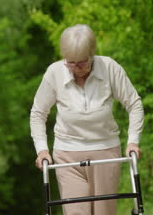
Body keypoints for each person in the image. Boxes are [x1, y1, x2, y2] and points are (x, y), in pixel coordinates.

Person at [30, 24, 144, 215]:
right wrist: (42, 149)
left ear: (92, 54)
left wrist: (133, 141)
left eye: (82, 63)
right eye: (71, 63)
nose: (76, 69)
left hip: (105, 152)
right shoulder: (54, 72)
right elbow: (38, 113)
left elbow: (134, 104)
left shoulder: (109, 67)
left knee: (103, 212)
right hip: (67, 154)